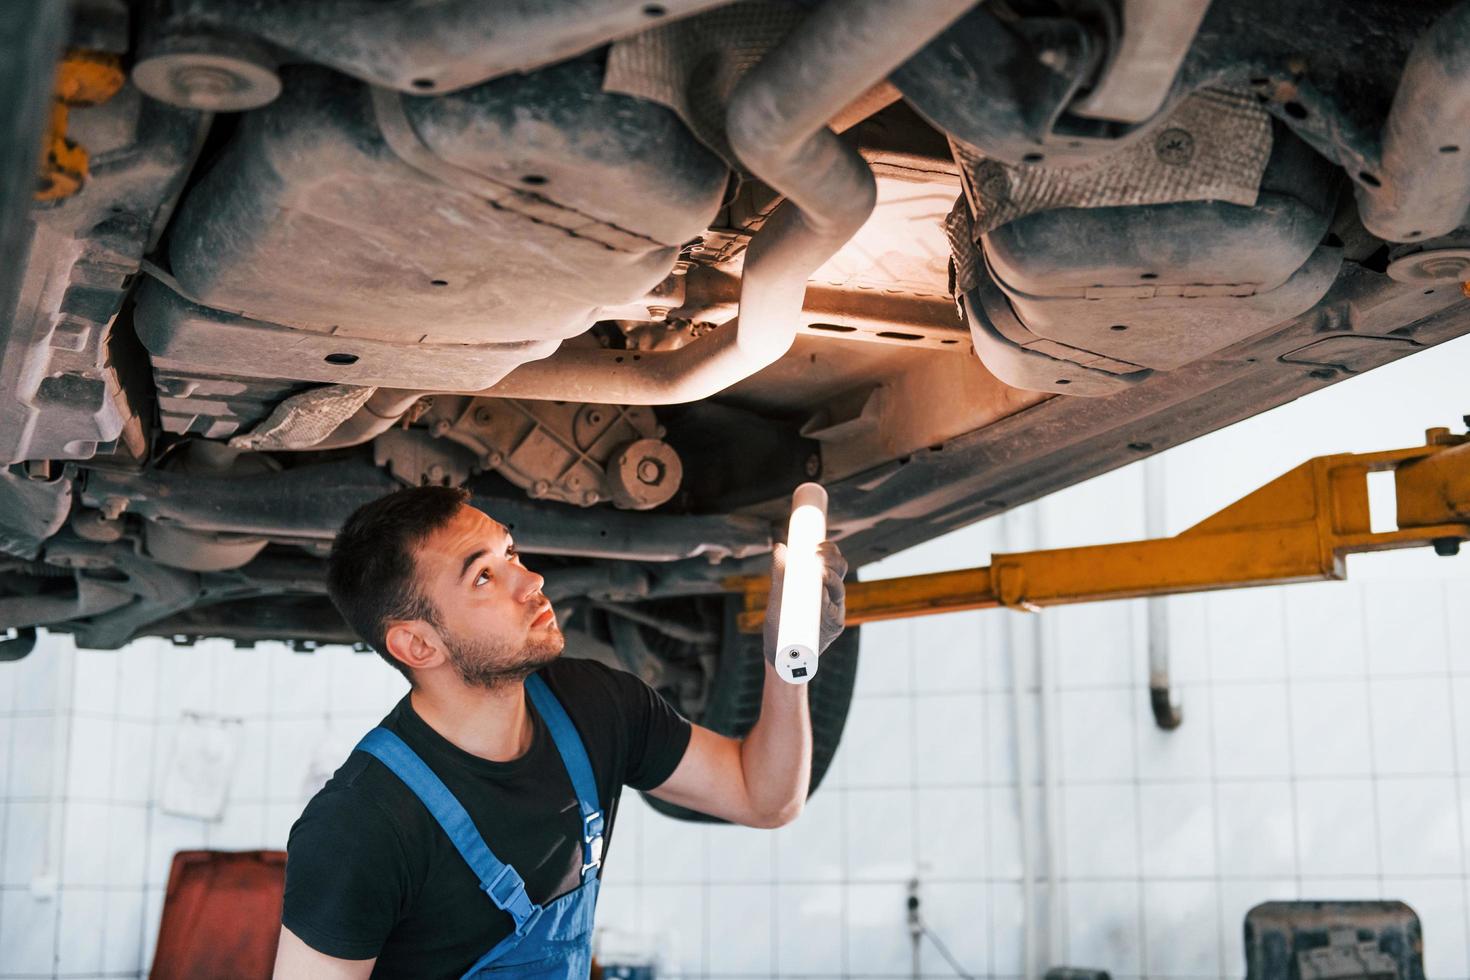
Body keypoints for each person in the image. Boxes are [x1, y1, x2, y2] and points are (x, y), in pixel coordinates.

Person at [272, 485, 847, 979]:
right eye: (484, 577)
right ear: (418, 644)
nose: (531, 580)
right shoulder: (360, 826)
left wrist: (786, 665)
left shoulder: (597, 706)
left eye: (511, 552)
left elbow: (765, 797)